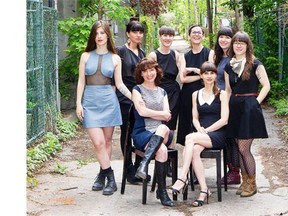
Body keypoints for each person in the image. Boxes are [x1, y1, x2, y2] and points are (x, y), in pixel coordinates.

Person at [76, 20, 131, 196]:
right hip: (90, 103)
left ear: (108, 35)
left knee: (107, 142)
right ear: (93, 36)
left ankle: (101, 175)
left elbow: (120, 84)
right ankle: (111, 177)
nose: (99, 36)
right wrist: (78, 103)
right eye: (96, 33)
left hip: (109, 102)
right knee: (98, 142)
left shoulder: (115, 58)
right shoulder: (85, 56)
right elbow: (81, 81)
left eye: (102, 33)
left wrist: (136, 99)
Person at [171, 61, 229, 207]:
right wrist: (199, 129)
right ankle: (204, 191)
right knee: (194, 151)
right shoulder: (195, 94)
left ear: (216, 75)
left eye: (212, 73)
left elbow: (224, 120)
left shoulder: (222, 94)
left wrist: (206, 130)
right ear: (201, 76)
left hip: (218, 134)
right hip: (201, 134)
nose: (209, 76)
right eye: (206, 73)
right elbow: (195, 118)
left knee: (189, 138)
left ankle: (182, 177)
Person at [224, 31, 270, 197]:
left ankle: (252, 183)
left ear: (247, 45)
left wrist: (255, 102)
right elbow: (228, 90)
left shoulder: (255, 63)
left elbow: (266, 85)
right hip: (235, 107)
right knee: (238, 146)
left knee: (244, 148)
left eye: (242, 43)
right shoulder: (229, 65)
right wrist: (226, 111)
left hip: (249, 107)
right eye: (236, 42)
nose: (238, 45)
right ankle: (245, 182)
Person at [131, 57, 175, 207]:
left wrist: (152, 113)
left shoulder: (162, 92)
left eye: (152, 70)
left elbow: (167, 115)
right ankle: (161, 192)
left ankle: (144, 163)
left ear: (156, 71)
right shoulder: (137, 90)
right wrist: (159, 114)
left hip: (161, 132)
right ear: (141, 74)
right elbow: (141, 112)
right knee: (162, 150)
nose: (149, 74)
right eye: (145, 71)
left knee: (163, 128)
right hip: (142, 132)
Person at [147, 25, 185, 177]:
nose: (167, 38)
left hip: (174, 93)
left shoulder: (177, 55)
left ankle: (168, 161)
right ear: (160, 36)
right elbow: (147, 74)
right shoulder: (153, 55)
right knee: (158, 126)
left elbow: (183, 75)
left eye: (170, 35)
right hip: (158, 92)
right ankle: (158, 158)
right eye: (164, 35)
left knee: (171, 128)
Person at [116, 19, 146, 184]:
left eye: (140, 32)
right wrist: (131, 96)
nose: (138, 35)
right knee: (126, 134)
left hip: (140, 100)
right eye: (135, 31)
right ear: (128, 33)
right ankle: (128, 170)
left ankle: (139, 167)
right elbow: (117, 79)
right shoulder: (120, 51)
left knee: (140, 132)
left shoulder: (142, 53)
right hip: (125, 99)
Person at [177, 24, 215, 146]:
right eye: (193, 32)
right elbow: (183, 79)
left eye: (199, 32)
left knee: (204, 122)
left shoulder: (209, 53)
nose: (196, 35)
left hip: (205, 92)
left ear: (203, 36)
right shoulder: (184, 56)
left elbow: (211, 75)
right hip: (188, 94)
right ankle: (191, 155)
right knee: (188, 125)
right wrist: (200, 74)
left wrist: (194, 70)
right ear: (189, 36)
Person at [214, 27, 241, 185]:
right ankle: (230, 169)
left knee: (233, 137)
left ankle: (235, 171)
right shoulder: (218, 57)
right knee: (225, 136)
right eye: (221, 37)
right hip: (218, 101)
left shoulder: (235, 58)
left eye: (227, 37)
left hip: (230, 101)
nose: (223, 40)